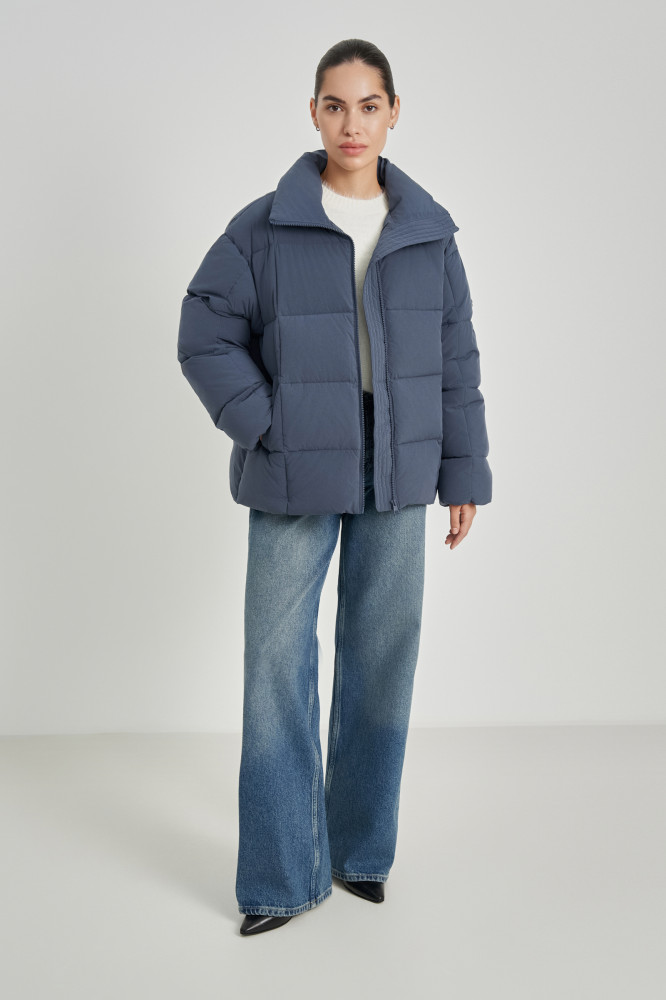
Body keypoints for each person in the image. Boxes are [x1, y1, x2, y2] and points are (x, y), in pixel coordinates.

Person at [177, 38, 492, 936]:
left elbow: (455, 362)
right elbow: (203, 332)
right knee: (276, 667)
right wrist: (267, 421)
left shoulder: (428, 233)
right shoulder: (263, 226)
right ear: (313, 113)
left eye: (368, 105)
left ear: (394, 113)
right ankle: (281, 877)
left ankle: (358, 851)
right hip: (292, 466)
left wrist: (463, 471)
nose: (352, 123)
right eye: (334, 104)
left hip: (400, 466)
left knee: (381, 658)